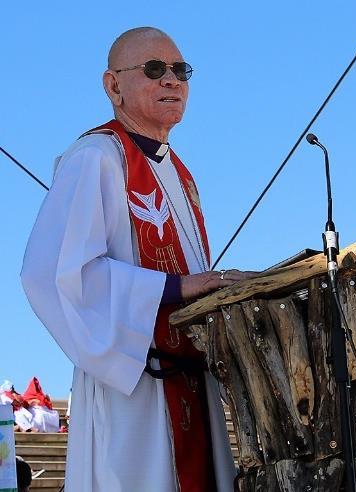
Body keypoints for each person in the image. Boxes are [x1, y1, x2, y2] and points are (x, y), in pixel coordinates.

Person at [21, 27, 254, 491]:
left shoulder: (180, 174)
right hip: (134, 386)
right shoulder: (95, 157)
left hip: (192, 381)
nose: (172, 80)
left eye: (180, 71)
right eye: (154, 70)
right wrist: (173, 288)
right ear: (113, 86)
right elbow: (51, 273)